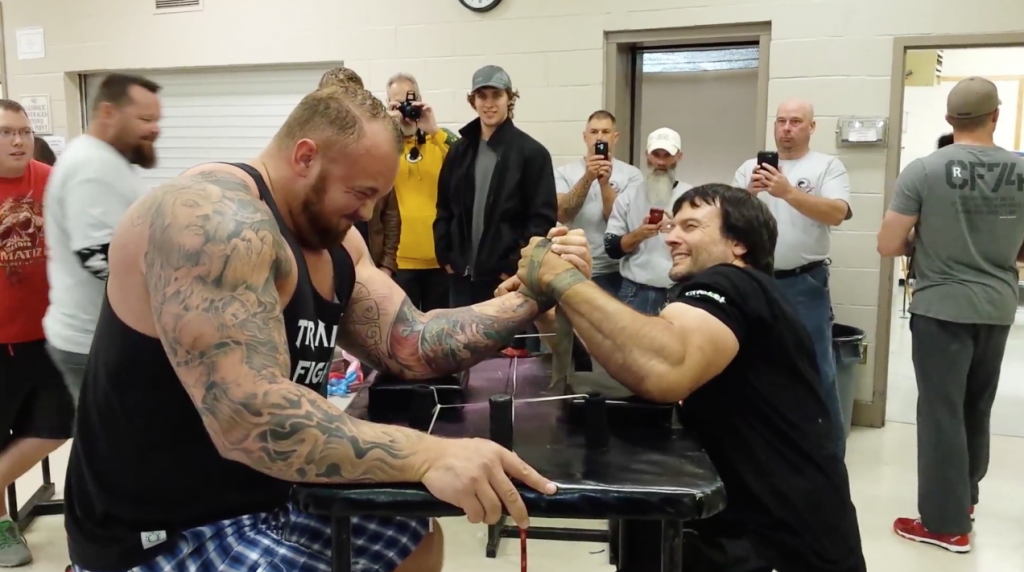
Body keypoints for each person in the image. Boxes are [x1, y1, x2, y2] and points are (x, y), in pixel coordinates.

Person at [63, 86, 592, 572]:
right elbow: (250, 418)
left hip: (270, 497)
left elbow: (412, 343)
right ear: (305, 157)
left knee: (415, 535)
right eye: (360, 192)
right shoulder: (212, 220)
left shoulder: (336, 242)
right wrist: (431, 455)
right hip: (167, 532)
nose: (366, 212)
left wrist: (538, 291)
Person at [503, 183, 866, 572]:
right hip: (754, 527)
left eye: (691, 226)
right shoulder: (751, 296)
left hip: (782, 542)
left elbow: (664, 370)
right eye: (672, 226)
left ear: (739, 244)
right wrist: (558, 302)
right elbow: (628, 363)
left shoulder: (733, 284)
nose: (671, 237)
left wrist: (564, 280)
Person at [878, 76, 1024, 553]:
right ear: (996, 115)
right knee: (976, 406)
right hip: (998, 307)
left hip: (942, 308)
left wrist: (924, 242)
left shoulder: (924, 170)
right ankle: (966, 499)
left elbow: (888, 244)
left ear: (948, 119)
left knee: (941, 413)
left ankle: (945, 524)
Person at [731, 98, 852, 455]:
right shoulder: (748, 169)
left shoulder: (827, 166)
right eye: (781, 121)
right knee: (752, 365)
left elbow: (837, 213)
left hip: (804, 284)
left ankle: (828, 456)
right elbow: (726, 220)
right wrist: (748, 194)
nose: (786, 128)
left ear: (811, 127)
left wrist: (787, 192)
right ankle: (762, 449)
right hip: (754, 281)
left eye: (796, 121)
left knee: (816, 369)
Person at [43, 73, 162, 407]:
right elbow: (100, 258)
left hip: (102, 337)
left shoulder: (106, 160)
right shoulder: (92, 166)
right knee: (115, 439)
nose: (155, 129)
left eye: (156, 120)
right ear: (108, 112)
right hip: (94, 342)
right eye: (145, 119)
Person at [434, 65, 557, 354]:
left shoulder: (532, 154)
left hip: (506, 282)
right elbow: (444, 208)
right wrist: (446, 256)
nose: (489, 103)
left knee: (505, 363)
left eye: (496, 95)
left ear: (509, 99)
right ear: (473, 101)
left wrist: (511, 268)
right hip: (461, 279)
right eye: (482, 96)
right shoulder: (459, 152)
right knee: (462, 355)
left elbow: (541, 221)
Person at [0, 99, 71, 567]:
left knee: (59, 423)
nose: (18, 140)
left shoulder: (52, 181)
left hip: (47, 336)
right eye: (6, 132)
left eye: (24, 131)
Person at [385, 72, 458, 312]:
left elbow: (467, 163)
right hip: (399, 262)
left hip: (439, 261)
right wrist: (387, 129)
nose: (406, 110)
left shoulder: (440, 139)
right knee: (399, 330)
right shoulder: (385, 145)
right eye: (398, 104)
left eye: (410, 101)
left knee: (437, 331)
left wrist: (433, 130)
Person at [320, 66, 401, 275]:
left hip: (370, 264)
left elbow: (390, 214)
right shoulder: (311, 155)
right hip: (325, 266)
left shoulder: (375, 152)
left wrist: (387, 265)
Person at [604, 127, 692, 315]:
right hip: (635, 290)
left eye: (667, 155)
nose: (660, 162)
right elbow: (611, 247)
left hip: (680, 289)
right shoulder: (628, 197)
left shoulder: (692, 198)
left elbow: (706, 243)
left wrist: (679, 229)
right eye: (656, 154)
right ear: (646, 155)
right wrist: (639, 234)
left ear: (679, 156)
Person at [554, 110, 643, 296]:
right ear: (585, 137)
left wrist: (604, 184)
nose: (599, 138)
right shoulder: (563, 173)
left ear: (615, 137)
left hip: (616, 271)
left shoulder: (632, 175)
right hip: (573, 265)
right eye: (594, 132)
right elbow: (562, 214)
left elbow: (623, 222)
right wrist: (588, 177)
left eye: (605, 132)